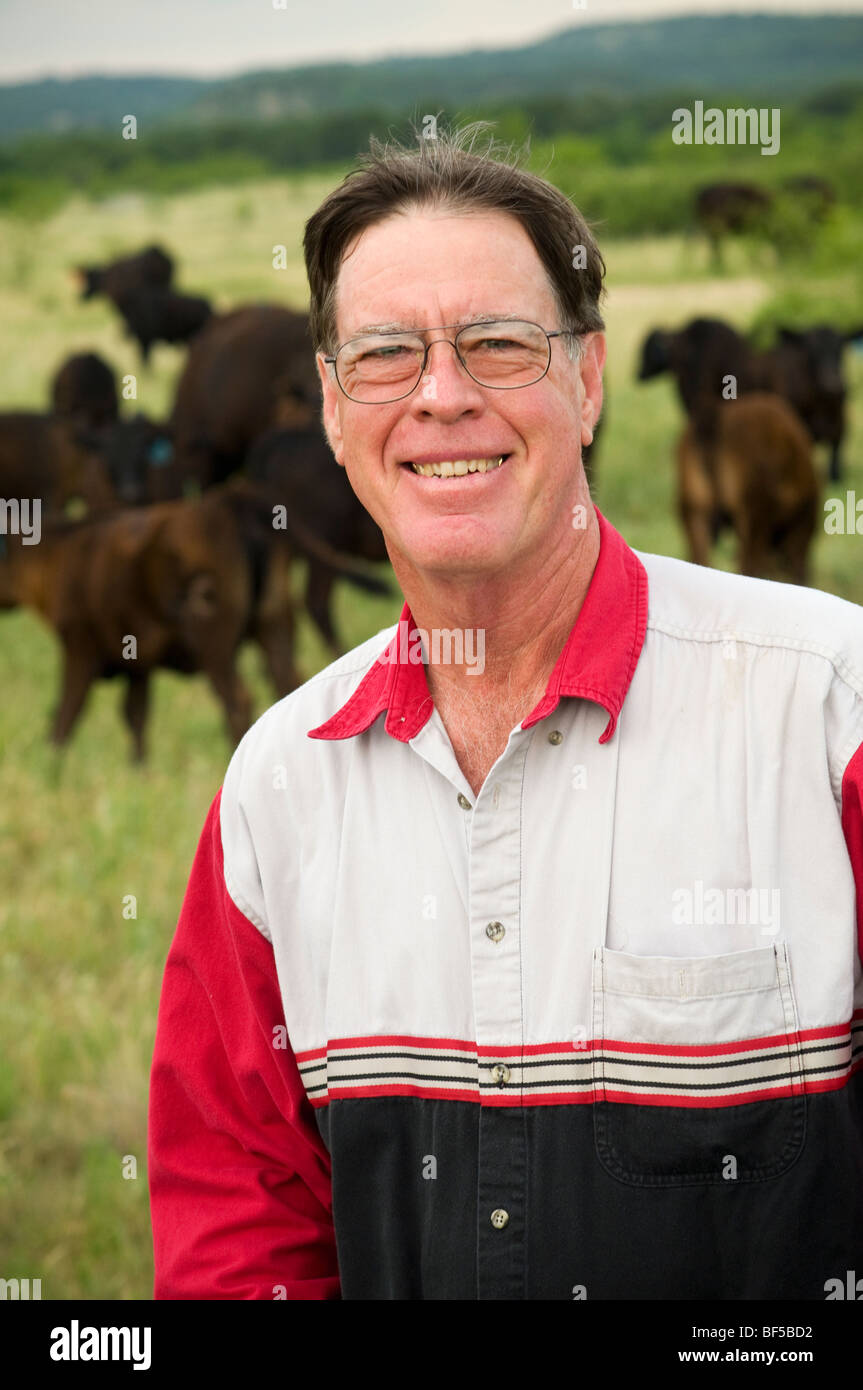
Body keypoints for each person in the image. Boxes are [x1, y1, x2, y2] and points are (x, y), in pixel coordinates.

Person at [148, 124, 863, 1301]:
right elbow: (239, 1231)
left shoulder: (828, 707)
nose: (440, 397)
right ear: (331, 410)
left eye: (496, 344)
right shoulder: (278, 786)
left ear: (586, 382)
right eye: (384, 355)